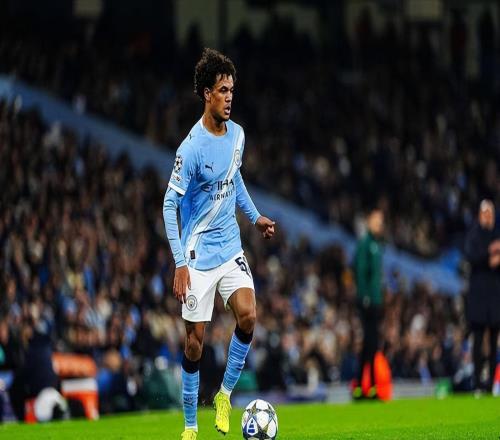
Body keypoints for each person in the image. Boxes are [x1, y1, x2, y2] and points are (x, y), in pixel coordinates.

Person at [162, 48, 275, 439]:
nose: (229, 97)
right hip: (197, 257)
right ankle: (191, 426)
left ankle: (224, 396)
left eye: (232, 91)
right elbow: (169, 204)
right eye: (223, 91)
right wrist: (179, 263)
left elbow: (234, 177)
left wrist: (255, 216)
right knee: (194, 344)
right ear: (207, 94)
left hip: (230, 249)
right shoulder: (191, 148)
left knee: (249, 316)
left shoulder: (238, 135)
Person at [464, 200, 500, 395]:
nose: (488, 217)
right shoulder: (474, 235)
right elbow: (471, 256)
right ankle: (477, 382)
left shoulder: (497, 234)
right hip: (478, 295)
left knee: (494, 340)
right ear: (480, 215)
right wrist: (489, 253)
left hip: (494, 295)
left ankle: (490, 383)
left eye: (491, 214)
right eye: (485, 214)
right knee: (477, 339)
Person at [352, 208, 384, 399]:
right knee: (370, 343)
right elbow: (360, 271)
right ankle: (369, 386)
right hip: (368, 301)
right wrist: (364, 296)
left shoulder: (377, 244)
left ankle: (361, 386)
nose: (380, 224)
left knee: (369, 344)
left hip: (375, 300)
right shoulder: (366, 244)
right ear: (369, 221)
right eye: (377, 220)